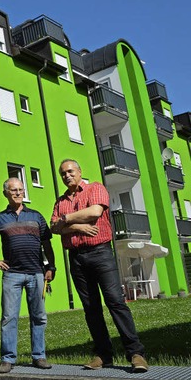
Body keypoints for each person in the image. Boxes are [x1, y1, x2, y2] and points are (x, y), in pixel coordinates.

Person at [50, 159, 148, 373]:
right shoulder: (60, 200)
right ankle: (104, 355)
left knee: (115, 302)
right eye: (62, 174)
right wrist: (78, 226)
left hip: (100, 253)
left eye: (70, 171)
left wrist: (66, 219)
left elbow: (94, 212)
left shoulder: (95, 188)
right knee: (91, 308)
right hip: (76, 257)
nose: (67, 176)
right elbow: (54, 227)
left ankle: (136, 353)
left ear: (79, 171)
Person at [0, 177, 56, 374]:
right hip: (12, 275)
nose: (17, 193)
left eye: (21, 189)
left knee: (39, 317)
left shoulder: (37, 216)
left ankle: (39, 356)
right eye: (13, 190)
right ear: (5, 193)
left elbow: (47, 243)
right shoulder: (0, 219)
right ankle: (7, 359)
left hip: (37, 274)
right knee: (9, 318)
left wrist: (52, 267)